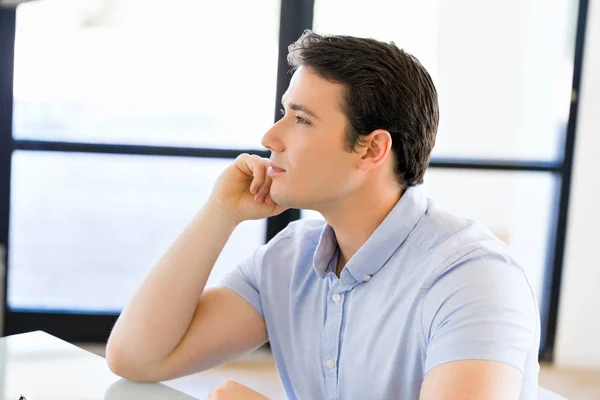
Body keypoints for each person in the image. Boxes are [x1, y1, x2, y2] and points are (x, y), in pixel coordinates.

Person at [106, 30, 540, 399]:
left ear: (372, 150)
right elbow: (137, 357)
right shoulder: (292, 259)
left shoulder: (472, 277)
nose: (270, 136)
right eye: (284, 112)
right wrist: (219, 213)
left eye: (302, 120)